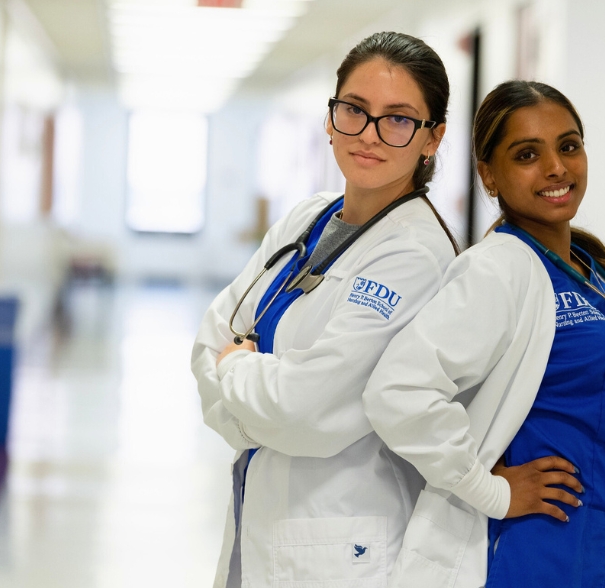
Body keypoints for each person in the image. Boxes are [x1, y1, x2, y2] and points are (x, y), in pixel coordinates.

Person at [363, 80, 605, 587]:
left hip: (602, 542)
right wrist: (492, 492)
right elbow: (397, 391)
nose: (556, 167)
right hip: (534, 553)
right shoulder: (498, 270)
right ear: (489, 174)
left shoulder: (590, 270)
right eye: (528, 154)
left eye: (569, 146)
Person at [191, 31, 459, 588]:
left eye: (399, 119)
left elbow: (303, 411)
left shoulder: (414, 254)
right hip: (263, 512)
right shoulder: (309, 218)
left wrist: (237, 368)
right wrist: (254, 409)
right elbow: (209, 337)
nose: (370, 134)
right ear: (330, 118)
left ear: (432, 137)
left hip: (341, 542)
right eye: (354, 110)